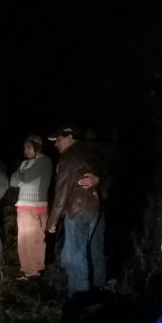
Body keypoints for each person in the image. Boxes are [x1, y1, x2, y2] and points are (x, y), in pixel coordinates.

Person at [46, 125, 108, 296]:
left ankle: (80, 296)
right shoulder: (92, 153)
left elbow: (62, 192)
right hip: (95, 208)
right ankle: (97, 291)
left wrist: (52, 221)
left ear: (70, 137)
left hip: (77, 209)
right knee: (89, 251)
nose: (56, 144)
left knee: (75, 255)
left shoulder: (69, 157)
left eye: (59, 140)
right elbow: (108, 177)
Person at [9, 134, 52, 278]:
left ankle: (34, 272)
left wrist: (20, 175)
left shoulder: (44, 161)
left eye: (28, 147)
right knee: (24, 241)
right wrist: (21, 175)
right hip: (23, 205)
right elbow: (13, 182)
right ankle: (29, 271)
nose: (25, 150)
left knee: (33, 241)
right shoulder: (24, 164)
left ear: (37, 147)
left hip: (35, 206)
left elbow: (25, 178)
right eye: (24, 147)